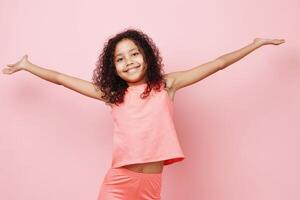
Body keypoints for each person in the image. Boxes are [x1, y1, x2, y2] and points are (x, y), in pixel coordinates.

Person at [2, 28, 285, 200]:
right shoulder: (112, 95)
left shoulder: (167, 85)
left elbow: (219, 63)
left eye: (134, 54)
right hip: (118, 182)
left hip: (151, 185)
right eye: (120, 59)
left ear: (147, 56)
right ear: (113, 68)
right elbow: (61, 78)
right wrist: (29, 66)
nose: (129, 62)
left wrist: (256, 44)